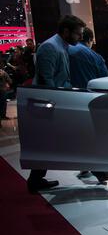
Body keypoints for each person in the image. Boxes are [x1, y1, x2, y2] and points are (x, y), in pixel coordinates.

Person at [28, 15, 86, 192]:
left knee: (48, 143)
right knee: (50, 142)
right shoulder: (50, 47)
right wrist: (57, 105)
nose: (80, 38)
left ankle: (35, 179)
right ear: (66, 31)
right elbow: (47, 80)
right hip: (50, 105)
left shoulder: (61, 46)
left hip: (57, 102)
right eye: (78, 34)